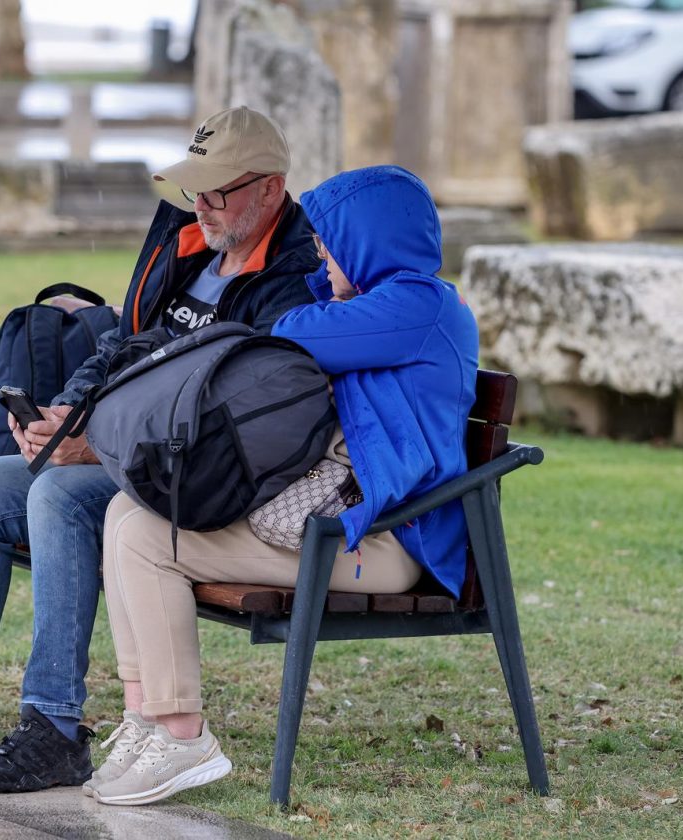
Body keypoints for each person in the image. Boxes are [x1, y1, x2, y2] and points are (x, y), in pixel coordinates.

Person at [0, 106, 321, 794]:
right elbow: (120, 345)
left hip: (203, 476)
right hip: (126, 449)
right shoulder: (186, 244)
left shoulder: (295, 280)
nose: (202, 205)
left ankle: (54, 727)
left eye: (219, 191)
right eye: (195, 188)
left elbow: (231, 416)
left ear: (271, 187)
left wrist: (98, 446)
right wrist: (67, 415)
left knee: (59, 496)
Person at [90, 165, 480, 806]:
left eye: (331, 241)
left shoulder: (421, 305)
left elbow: (288, 331)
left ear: (369, 238)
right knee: (124, 513)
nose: (320, 253)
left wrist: (318, 296)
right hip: (342, 523)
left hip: (382, 541)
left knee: (148, 540)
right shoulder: (382, 305)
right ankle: (146, 719)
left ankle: (182, 735)